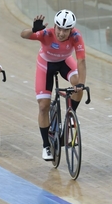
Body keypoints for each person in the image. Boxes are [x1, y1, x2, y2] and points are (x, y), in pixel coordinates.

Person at [20, 9, 87, 161]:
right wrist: (33, 30)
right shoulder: (46, 33)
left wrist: (81, 84)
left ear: (71, 30)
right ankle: (46, 145)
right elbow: (23, 35)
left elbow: (81, 60)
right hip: (46, 65)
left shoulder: (76, 36)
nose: (61, 33)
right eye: (59, 29)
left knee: (78, 83)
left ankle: (71, 115)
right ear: (55, 26)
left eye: (66, 30)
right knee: (44, 106)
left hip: (64, 62)